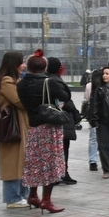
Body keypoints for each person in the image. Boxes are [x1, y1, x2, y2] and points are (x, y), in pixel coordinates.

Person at [17, 51, 68, 213]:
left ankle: (33, 194)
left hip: (33, 127)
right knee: (50, 163)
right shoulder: (50, 82)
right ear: (44, 66)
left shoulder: (21, 84)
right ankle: (47, 200)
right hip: (49, 127)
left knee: (34, 162)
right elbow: (66, 95)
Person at [0, 51, 31, 208]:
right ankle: (12, 198)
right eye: (22, 62)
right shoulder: (6, 81)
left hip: (20, 126)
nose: (24, 65)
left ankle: (21, 195)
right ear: (13, 64)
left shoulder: (14, 80)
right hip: (11, 128)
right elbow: (19, 101)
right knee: (12, 162)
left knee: (21, 161)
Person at [46, 57, 81, 185]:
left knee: (55, 148)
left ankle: (57, 173)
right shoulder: (54, 81)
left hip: (52, 117)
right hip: (60, 118)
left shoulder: (45, 79)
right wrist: (69, 106)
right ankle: (60, 173)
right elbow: (64, 99)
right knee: (62, 148)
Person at [82, 70, 99, 171]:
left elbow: (86, 99)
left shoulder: (89, 86)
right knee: (105, 138)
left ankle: (93, 161)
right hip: (102, 116)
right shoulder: (104, 87)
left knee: (93, 138)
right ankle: (106, 159)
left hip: (92, 114)